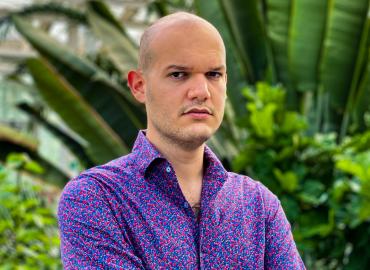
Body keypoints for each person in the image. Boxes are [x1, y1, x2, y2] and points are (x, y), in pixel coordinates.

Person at [58, 11, 305, 269]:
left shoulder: (258, 206)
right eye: (178, 74)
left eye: (213, 74)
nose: (201, 92)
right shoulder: (97, 198)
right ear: (139, 86)